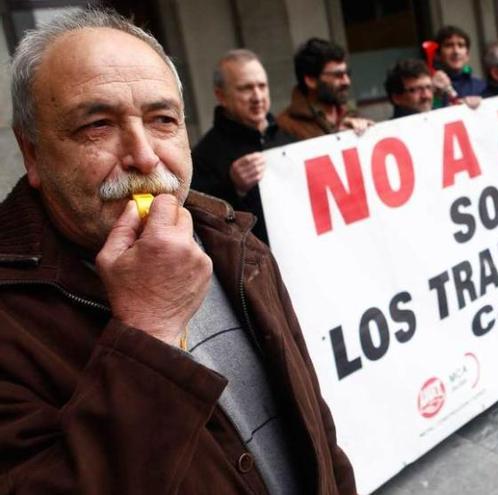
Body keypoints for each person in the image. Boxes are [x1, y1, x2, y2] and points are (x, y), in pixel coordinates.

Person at [0, 8, 356, 494]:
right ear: (33, 153)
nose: (144, 156)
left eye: (162, 120)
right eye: (97, 126)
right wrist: (148, 332)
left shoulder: (235, 242)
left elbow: (316, 427)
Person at [191, 49, 294, 245]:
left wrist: (354, 135)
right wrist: (234, 188)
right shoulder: (204, 155)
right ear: (221, 96)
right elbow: (203, 226)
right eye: (246, 88)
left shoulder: (287, 136)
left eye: (262, 86)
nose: (257, 96)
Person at [277, 37, 372, 141]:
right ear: (311, 80)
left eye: (347, 73)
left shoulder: (351, 114)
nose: (347, 81)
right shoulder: (286, 126)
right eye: (338, 75)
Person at [431, 25, 487, 103]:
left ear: (467, 55)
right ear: (437, 55)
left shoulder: (481, 86)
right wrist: (436, 95)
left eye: (461, 45)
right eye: (449, 45)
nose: (456, 51)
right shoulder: (428, 89)